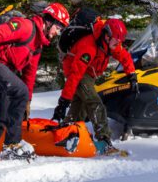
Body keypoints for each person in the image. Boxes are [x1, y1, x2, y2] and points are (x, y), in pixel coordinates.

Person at [0, 2, 70, 162]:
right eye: (58, 28)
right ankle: (12, 144)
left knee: (2, 114)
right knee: (20, 91)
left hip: (2, 71)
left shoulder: (38, 44)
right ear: (50, 21)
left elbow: (29, 74)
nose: (57, 32)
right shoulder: (26, 27)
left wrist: (28, 101)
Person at [52, 17, 137, 155]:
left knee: (79, 110)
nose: (118, 43)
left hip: (89, 74)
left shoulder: (111, 44)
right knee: (95, 103)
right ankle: (104, 141)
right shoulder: (89, 47)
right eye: (116, 40)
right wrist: (63, 102)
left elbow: (124, 56)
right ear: (107, 36)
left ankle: (65, 136)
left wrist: (132, 75)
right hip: (78, 72)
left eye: (120, 40)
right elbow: (75, 75)